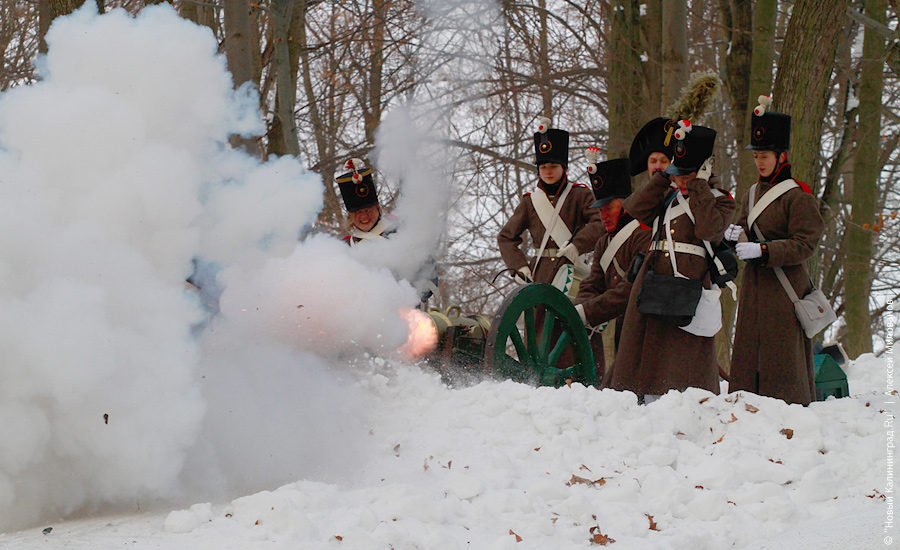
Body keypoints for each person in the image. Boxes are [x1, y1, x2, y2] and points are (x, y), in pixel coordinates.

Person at [606, 122, 735, 401]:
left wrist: (699, 186)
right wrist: (664, 177)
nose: (681, 180)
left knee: (683, 356)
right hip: (654, 281)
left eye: (686, 175)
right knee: (641, 348)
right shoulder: (666, 195)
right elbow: (634, 209)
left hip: (689, 284)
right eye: (678, 174)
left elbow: (709, 230)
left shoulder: (720, 200)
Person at [726, 95, 826, 406]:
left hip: (784, 290)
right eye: (756, 156)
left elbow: (805, 244)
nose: (759, 162)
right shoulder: (751, 193)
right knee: (748, 359)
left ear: (781, 156)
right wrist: (733, 236)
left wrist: (764, 250)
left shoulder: (798, 196)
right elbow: (744, 227)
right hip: (754, 290)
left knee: (782, 364)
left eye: (765, 155)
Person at [497, 118, 604, 286]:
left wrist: (577, 245)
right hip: (540, 275)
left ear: (564, 168)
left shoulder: (579, 194)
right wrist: (519, 267)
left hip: (573, 271)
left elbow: (600, 222)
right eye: (543, 167)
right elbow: (506, 237)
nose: (548, 172)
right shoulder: (529, 202)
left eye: (553, 166)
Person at [573, 153, 651, 382]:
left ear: (625, 204)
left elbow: (631, 289)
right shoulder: (603, 243)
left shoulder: (644, 235)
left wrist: (588, 312)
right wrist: (577, 309)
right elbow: (593, 284)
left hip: (646, 327)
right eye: (600, 210)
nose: (603, 216)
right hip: (622, 328)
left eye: (609, 208)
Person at [336, 158, 439, 307]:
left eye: (368, 210)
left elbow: (429, 275)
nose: (364, 216)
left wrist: (409, 296)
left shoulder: (402, 234)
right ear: (350, 217)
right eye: (358, 212)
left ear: (377, 209)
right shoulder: (345, 248)